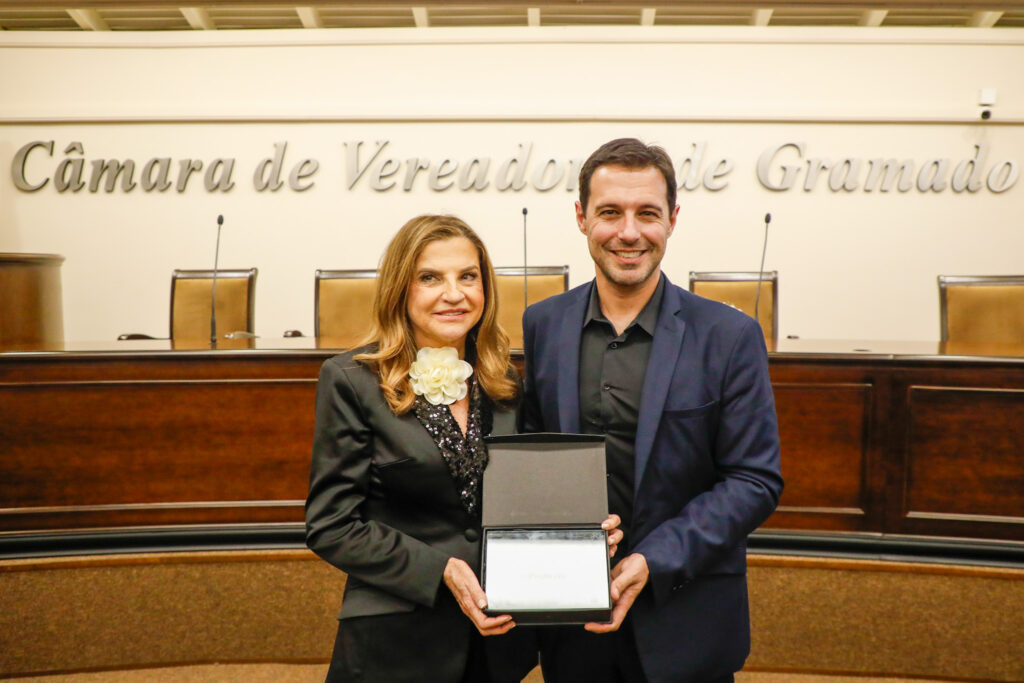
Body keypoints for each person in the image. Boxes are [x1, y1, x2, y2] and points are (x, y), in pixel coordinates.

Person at [305, 213, 624, 682]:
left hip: (495, 644)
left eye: (468, 277)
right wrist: (442, 571)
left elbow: (527, 502)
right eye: (430, 277)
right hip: (396, 640)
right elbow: (331, 526)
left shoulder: (504, 385)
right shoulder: (352, 380)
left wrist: (584, 535)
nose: (454, 294)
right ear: (401, 288)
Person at [519, 138, 784, 683]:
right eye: (610, 213)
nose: (629, 232)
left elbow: (754, 480)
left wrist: (653, 558)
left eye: (648, 214)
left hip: (687, 618)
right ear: (581, 217)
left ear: (673, 219)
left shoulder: (730, 336)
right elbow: (532, 457)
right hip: (572, 623)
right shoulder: (541, 324)